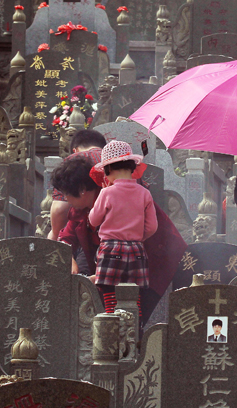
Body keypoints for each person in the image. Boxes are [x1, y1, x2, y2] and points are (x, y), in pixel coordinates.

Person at [50, 148, 187, 325]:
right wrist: (70, 260)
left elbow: (141, 232)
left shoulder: (114, 196)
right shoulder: (82, 208)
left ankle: (130, 336)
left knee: (131, 310)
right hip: (129, 257)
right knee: (116, 310)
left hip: (155, 258)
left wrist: (102, 275)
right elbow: (66, 236)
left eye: (67, 194)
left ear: (82, 190)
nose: (66, 200)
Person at [87, 140, 158, 314]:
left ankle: (112, 321)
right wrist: (138, 238)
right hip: (136, 249)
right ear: (132, 167)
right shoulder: (144, 193)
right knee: (134, 294)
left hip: (111, 248)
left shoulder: (107, 192)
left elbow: (93, 220)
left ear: (109, 169)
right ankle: (133, 324)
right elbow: (152, 227)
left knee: (109, 291)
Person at [48, 128, 108, 244]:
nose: (66, 198)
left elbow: (59, 209)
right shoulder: (120, 161)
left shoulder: (75, 160)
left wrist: (54, 236)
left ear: (75, 150)